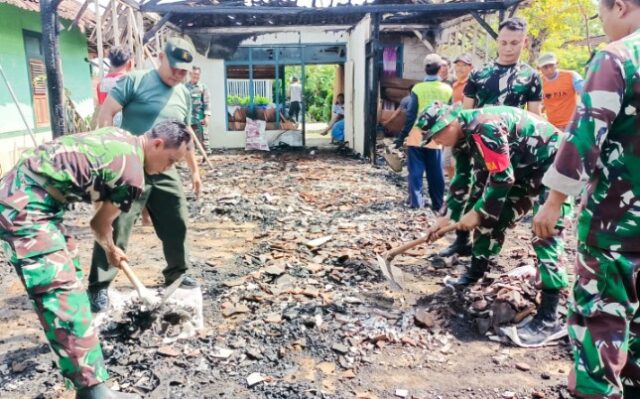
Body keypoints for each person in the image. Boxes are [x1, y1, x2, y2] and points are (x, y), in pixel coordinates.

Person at [0, 121, 192, 399]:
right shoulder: (134, 176)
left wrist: (111, 247)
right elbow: (101, 224)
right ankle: (94, 392)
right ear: (158, 144)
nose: (168, 169)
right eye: (171, 161)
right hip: (26, 205)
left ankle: (84, 380)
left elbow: (98, 220)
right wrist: (111, 249)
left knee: (73, 277)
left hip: (29, 194)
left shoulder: (122, 137)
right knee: (62, 296)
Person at [532, 0, 640, 397]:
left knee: (601, 323)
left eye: (602, 15)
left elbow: (585, 135)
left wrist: (555, 199)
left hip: (616, 222)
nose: (604, 25)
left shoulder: (618, 56)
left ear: (622, 7)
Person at [417, 102, 569, 345]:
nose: (438, 142)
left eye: (438, 134)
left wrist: (478, 213)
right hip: (521, 169)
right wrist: (449, 215)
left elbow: (501, 178)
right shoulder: (461, 137)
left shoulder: (484, 126)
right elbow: (463, 180)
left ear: (452, 120)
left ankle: (550, 318)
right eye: (433, 137)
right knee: (490, 217)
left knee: (545, 232)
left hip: (554, 164)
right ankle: (476, 272)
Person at [90, 37, 202, 313]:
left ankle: (176, 274)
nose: (178, 75)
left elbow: (184, 136)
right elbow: (106, 114)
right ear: (161, 58)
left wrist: (194, 170)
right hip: (130, 163)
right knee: (117, 223)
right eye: (175, 68)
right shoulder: (135, 81)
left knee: (177, 218)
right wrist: (110, 156)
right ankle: (100, 287)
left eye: (184, 71)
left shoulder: (183, 93)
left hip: (165, 167)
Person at [440, 16, 544, 258]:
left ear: (524, 42)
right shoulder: (480, 75)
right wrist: (461, 148)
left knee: (498, 200)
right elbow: (466, 113)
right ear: (497, 41)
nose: (508, 48)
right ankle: (461, 240)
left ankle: (485, 251)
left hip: (513, 152)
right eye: (504, 42)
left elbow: (536, 117)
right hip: (478, 146)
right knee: (473, 192)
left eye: (515, 43)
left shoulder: (530, 76)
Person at [394, 53, 452, 210]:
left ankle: (416, 203)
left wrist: (401, 137)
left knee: (416, 170)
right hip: (437, 135)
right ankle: (438, 204)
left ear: (425, 69)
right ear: (440, 69)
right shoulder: (447, 89)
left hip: (417, 134)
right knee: (436, 173)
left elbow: (411, 114)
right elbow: (452, 114)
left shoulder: (418, 88)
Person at [537, 52, 584, 130]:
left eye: (551, 65)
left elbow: (586, 95)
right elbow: (538, 105)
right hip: (553, 127)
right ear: (540, 68)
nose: (549, 69)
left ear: (557, 64)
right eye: (545, 67)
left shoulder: (571, 76)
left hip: (573, 125)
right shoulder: (539, 83)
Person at [95, 46, 134, 127]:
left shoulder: (101, 84)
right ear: (129, 63)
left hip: (109, 129)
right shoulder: (130, 82)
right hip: (128, 129)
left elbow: (102, 107)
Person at [185, 66, 211, 153]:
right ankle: (191, 161)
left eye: (198, 74)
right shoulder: (185, 87)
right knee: (187, 141)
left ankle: (205, 157)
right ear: (190, 74)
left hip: (200, 118)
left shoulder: (203, 87)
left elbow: (207, 102)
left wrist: (207, 116)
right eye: (194, 74)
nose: (196, 76)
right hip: (188, 119)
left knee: (204, 141)